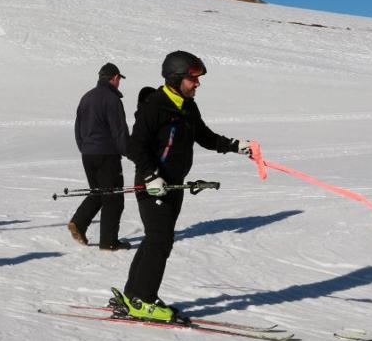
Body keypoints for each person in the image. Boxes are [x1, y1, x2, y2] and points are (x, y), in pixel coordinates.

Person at [116, 51, 252, 321]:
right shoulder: (155, 105)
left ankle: (134, 295)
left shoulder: (188, 107)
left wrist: (235, 146)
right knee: (160, 239)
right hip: (153, 185)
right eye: (193, 79)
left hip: (173, 186)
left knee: (158, 239)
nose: (197, 84)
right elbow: (134, 146)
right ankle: (142, 300)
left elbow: (204, 136)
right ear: (176, 79)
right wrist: (151, 175)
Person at [68, 62, 132, 250]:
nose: (119, 82)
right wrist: (130, 153)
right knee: (113, 197)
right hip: (106, 154)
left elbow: (78, 128)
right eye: (119, 79)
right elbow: (119, 131)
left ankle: (78, 223)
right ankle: (108, 242)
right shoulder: (112, 99)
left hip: (88, 153)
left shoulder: (86, 97)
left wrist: (85, 148)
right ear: (114, 78)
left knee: (98, 192)